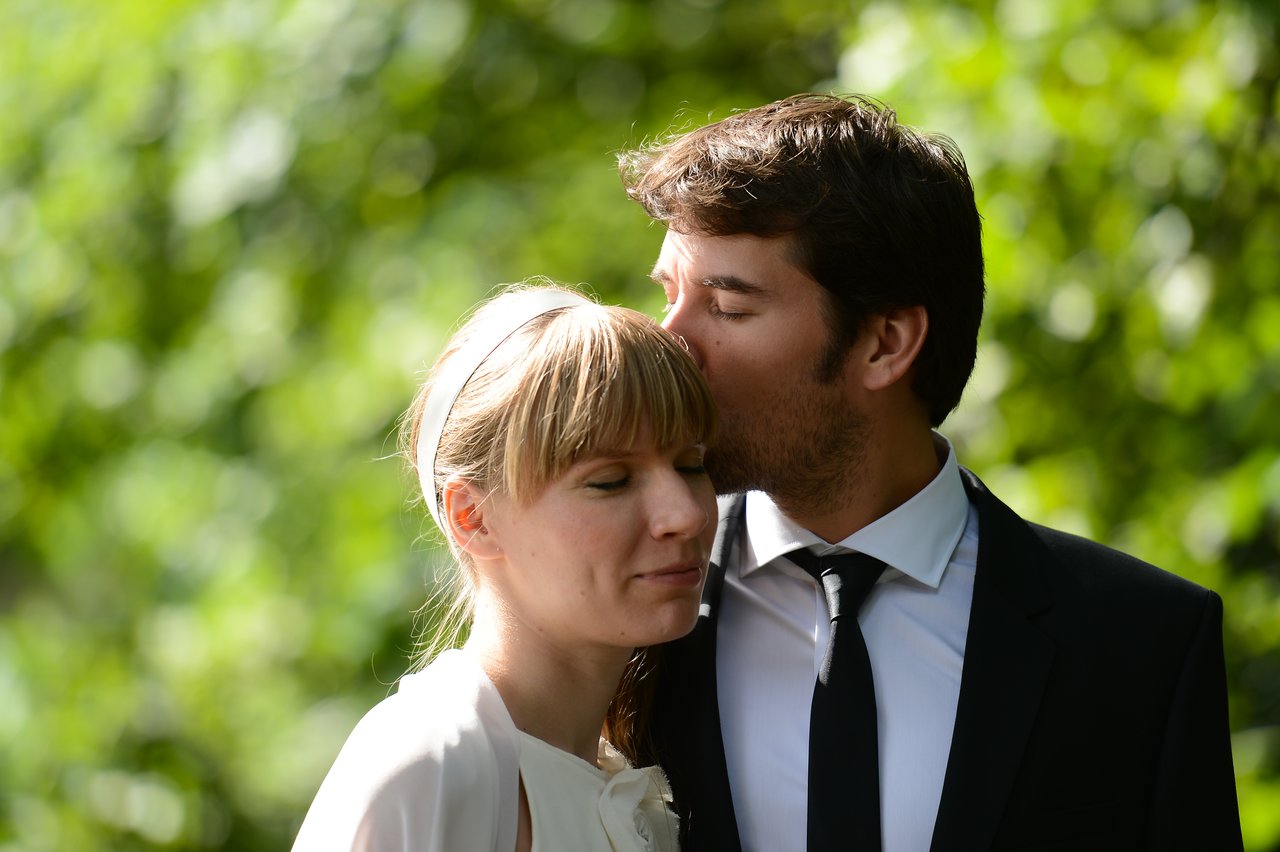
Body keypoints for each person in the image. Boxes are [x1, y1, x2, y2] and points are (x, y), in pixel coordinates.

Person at [619, 94, 1241, 851]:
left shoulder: (1144, 645)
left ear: (885, 343)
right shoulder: (616, 611)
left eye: (725, 306)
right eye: (668, 296)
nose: (667, 343)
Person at [292, 284, 719, 852]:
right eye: (610, 481)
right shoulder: (429, 762)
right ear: (473, 518)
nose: (684, 514)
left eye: (691, 465)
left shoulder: (626, 778)